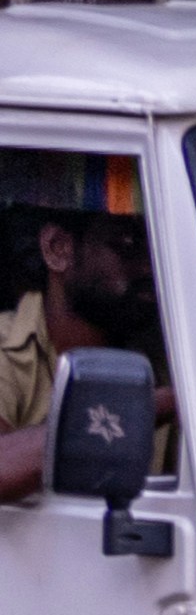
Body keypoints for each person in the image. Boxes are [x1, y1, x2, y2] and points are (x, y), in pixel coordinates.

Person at [0, 205, 158, 503]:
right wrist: (153, 405)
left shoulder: (172, 353)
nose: (149, 267)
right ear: (57, 248)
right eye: (127, 246)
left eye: (156, 247)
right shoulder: (7, 349)